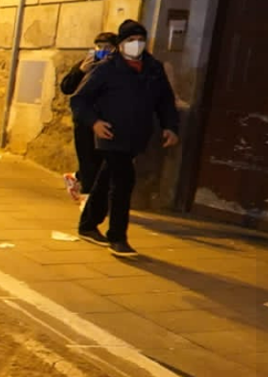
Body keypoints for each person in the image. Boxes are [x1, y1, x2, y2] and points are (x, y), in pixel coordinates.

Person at [70, 19, 180, 257]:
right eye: (131, 40)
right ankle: (117, 237)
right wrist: (95, 122)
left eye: (140, 40)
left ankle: (88, 224)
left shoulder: (153, 69)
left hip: (136, 134)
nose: (136, 44)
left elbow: (165, 100)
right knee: (123, 181)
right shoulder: (106, 68)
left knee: (107, 177)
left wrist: (170, 126)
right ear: (121, 43)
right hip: (110, 133)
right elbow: (79, 99)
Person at [59, 32, 118, 203]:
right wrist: (80, 71)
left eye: (107, 47)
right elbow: (67, 87)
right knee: (88, 162)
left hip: (108, 122)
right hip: (85, 122)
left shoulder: (117, 68)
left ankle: (77, 178)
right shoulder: (86, 63)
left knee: (102, 163)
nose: (103, 51)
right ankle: (88, 202)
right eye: (99, 47)